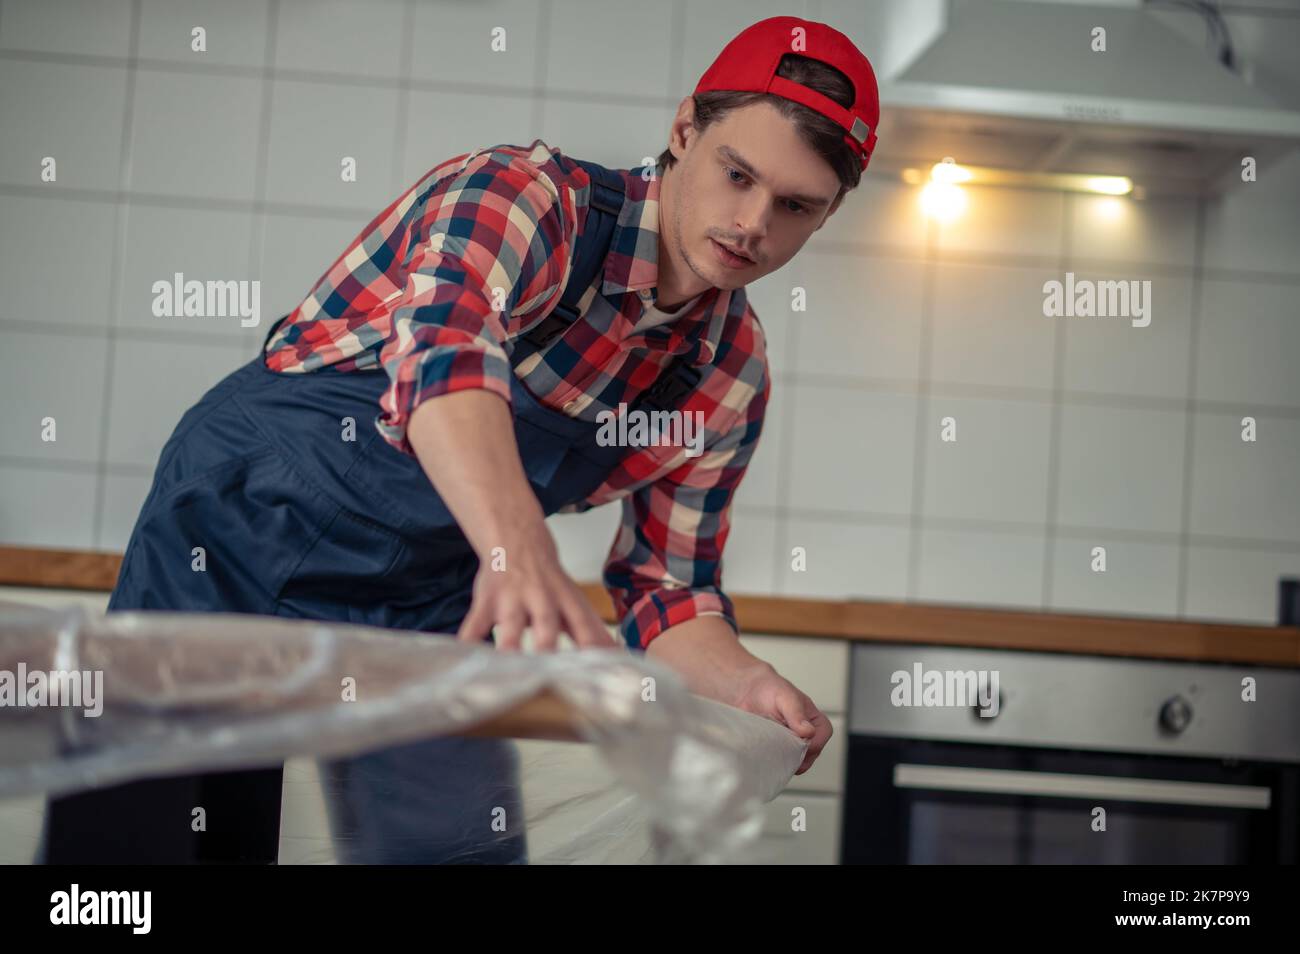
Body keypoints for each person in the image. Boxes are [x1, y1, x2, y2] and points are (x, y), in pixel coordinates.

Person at [40, 15, 880, 864]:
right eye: (737, 174)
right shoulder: (525, 198)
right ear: (684, 130)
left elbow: (668, 584)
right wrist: (519, 547)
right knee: (159, 841)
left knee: (457, 849)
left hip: (428, 597)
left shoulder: (726, 374)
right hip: (239, 525)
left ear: (828, 213)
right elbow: (446, 357)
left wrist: (743, 681)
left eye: (795, 206)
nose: (751, 223)